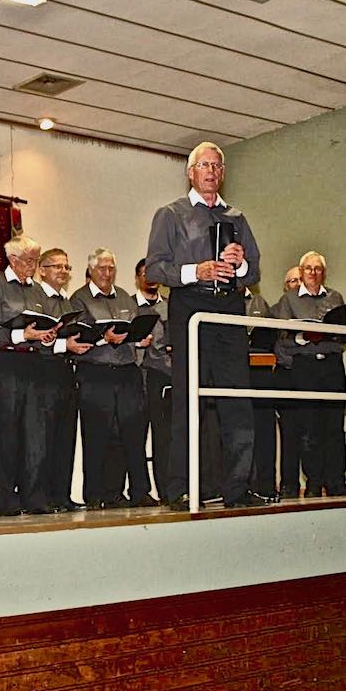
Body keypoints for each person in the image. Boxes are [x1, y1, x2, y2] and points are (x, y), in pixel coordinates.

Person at [145, 141, 262, 511]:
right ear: (190, 173)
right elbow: (154, 269)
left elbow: (254, 272)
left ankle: (238, 487)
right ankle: (179, 487)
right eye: (204, 165)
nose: (211, 171)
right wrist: (197, 270)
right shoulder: (170, 214)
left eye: (216, 166)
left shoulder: (237, 217)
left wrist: (240, 264)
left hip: (229, 309)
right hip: (191, 307)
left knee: (237, 400)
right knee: (187, 400)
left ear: (222, 174)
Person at [0, 236, 89, 515]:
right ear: (13, 259)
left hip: (36, 363)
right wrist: (22, 334)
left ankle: (34, 496)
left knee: (36, 435)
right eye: (29, 260)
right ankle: (3, 499)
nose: (32, 265)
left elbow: (44, 330)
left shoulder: (38, 291)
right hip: (6, 363)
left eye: (35, 260)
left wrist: (49, 335)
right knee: (5, 433)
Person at [71, 248, 157, 508]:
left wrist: (140, 339)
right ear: (91, 270)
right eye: (102, 268)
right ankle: (96, 495)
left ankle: (136, 491)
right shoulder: (79, 299)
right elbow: (79, 335)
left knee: (132, 433)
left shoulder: (125, 298)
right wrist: (103, 338)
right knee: (97, 435)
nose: (107, 273)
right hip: (95, 371)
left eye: (111, 268)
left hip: (127, 370)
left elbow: (133, 328)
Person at [274, 252, 346, 497]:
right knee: (308, 427)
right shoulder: (288, 299)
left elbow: (344, 336)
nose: (313, 273)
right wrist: (304, 336)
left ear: (323, 273)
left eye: (317, 269)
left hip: (332, 366)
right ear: (301, 271)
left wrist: (326, 334)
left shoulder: (335, 297)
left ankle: (336, 481)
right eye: (308, 268)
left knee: (334, 425)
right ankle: (314, 483)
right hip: (305, 367)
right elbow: (283, 338)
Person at [35, 247, 90, 511]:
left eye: (67, 267)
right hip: (43, 371)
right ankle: (44, 495)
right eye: (57, 266)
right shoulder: (37, 298)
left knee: (65, 436)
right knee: (44, 437)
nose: (63, 271)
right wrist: (63, 345)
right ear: (42, 270)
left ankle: (62, 495)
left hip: (67, 371)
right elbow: (36, 341)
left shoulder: (67, 302)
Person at [134, 259, 171, 503]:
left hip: (162, 376)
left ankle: (167, 490)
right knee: (135, 435)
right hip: (134, 376)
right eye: (145, 273)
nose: (150, 278)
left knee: (163, 435)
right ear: (137, 277)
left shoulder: (169, 306)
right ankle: (139, 491)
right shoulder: (128, 305)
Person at [245, 287, 278, 500]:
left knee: (265, 431)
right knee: (238, 431)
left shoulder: (260, 302)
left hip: (261, 370)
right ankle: (241, 486)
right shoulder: (217, 300)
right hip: (233, 371)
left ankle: (266, 485)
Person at [274, 266, 304, 498]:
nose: (297, 284)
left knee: (314, 430)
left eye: (300, 280)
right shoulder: (275, 311)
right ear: (286, 286)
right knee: (289, 433)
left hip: (311, 372)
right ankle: (289, 484)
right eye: (292, 280)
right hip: (286, 374)